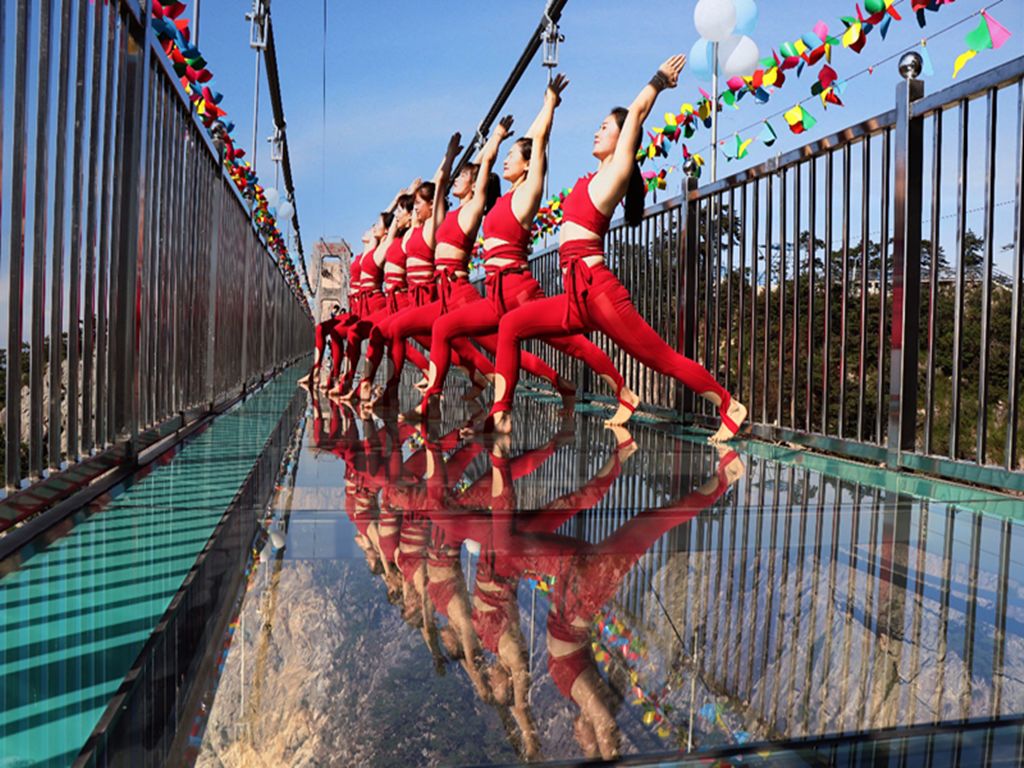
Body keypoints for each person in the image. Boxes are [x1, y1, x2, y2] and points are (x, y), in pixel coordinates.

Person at [486, 55, 747, 442]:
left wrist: (658, 80)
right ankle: (501, 415)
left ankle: (729, 404)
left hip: (599, 291)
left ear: (622, 137)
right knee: (510, 325)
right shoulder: (586, 180)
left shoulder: (617, 171)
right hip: (574, 295)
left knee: (662, 359)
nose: (596, 132)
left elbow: (638, 111)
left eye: (604, 127)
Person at [418, 76, 638, 423]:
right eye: (505, 156)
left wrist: (548, 104)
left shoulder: (527, 192)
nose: (506, 161)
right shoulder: (501, 202)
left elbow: (538, 142)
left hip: (519, 291)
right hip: (495, 296)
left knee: (573, 345)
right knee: (446, 328)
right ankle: (440, 399)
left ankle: (622, 391)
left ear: (526, 163)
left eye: (512, 157)